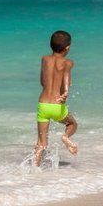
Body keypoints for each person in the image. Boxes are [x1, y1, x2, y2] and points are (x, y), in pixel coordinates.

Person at [33, 30, 78, 166]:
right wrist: (66, 92)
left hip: (43, 104)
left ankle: (33, 170)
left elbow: (42, 82)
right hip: (57, 105)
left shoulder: (44, 59)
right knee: (72, 124)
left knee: (41, 143)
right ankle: (65, 137)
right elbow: (66, 81)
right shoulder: (68, 63)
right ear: (67, 48)